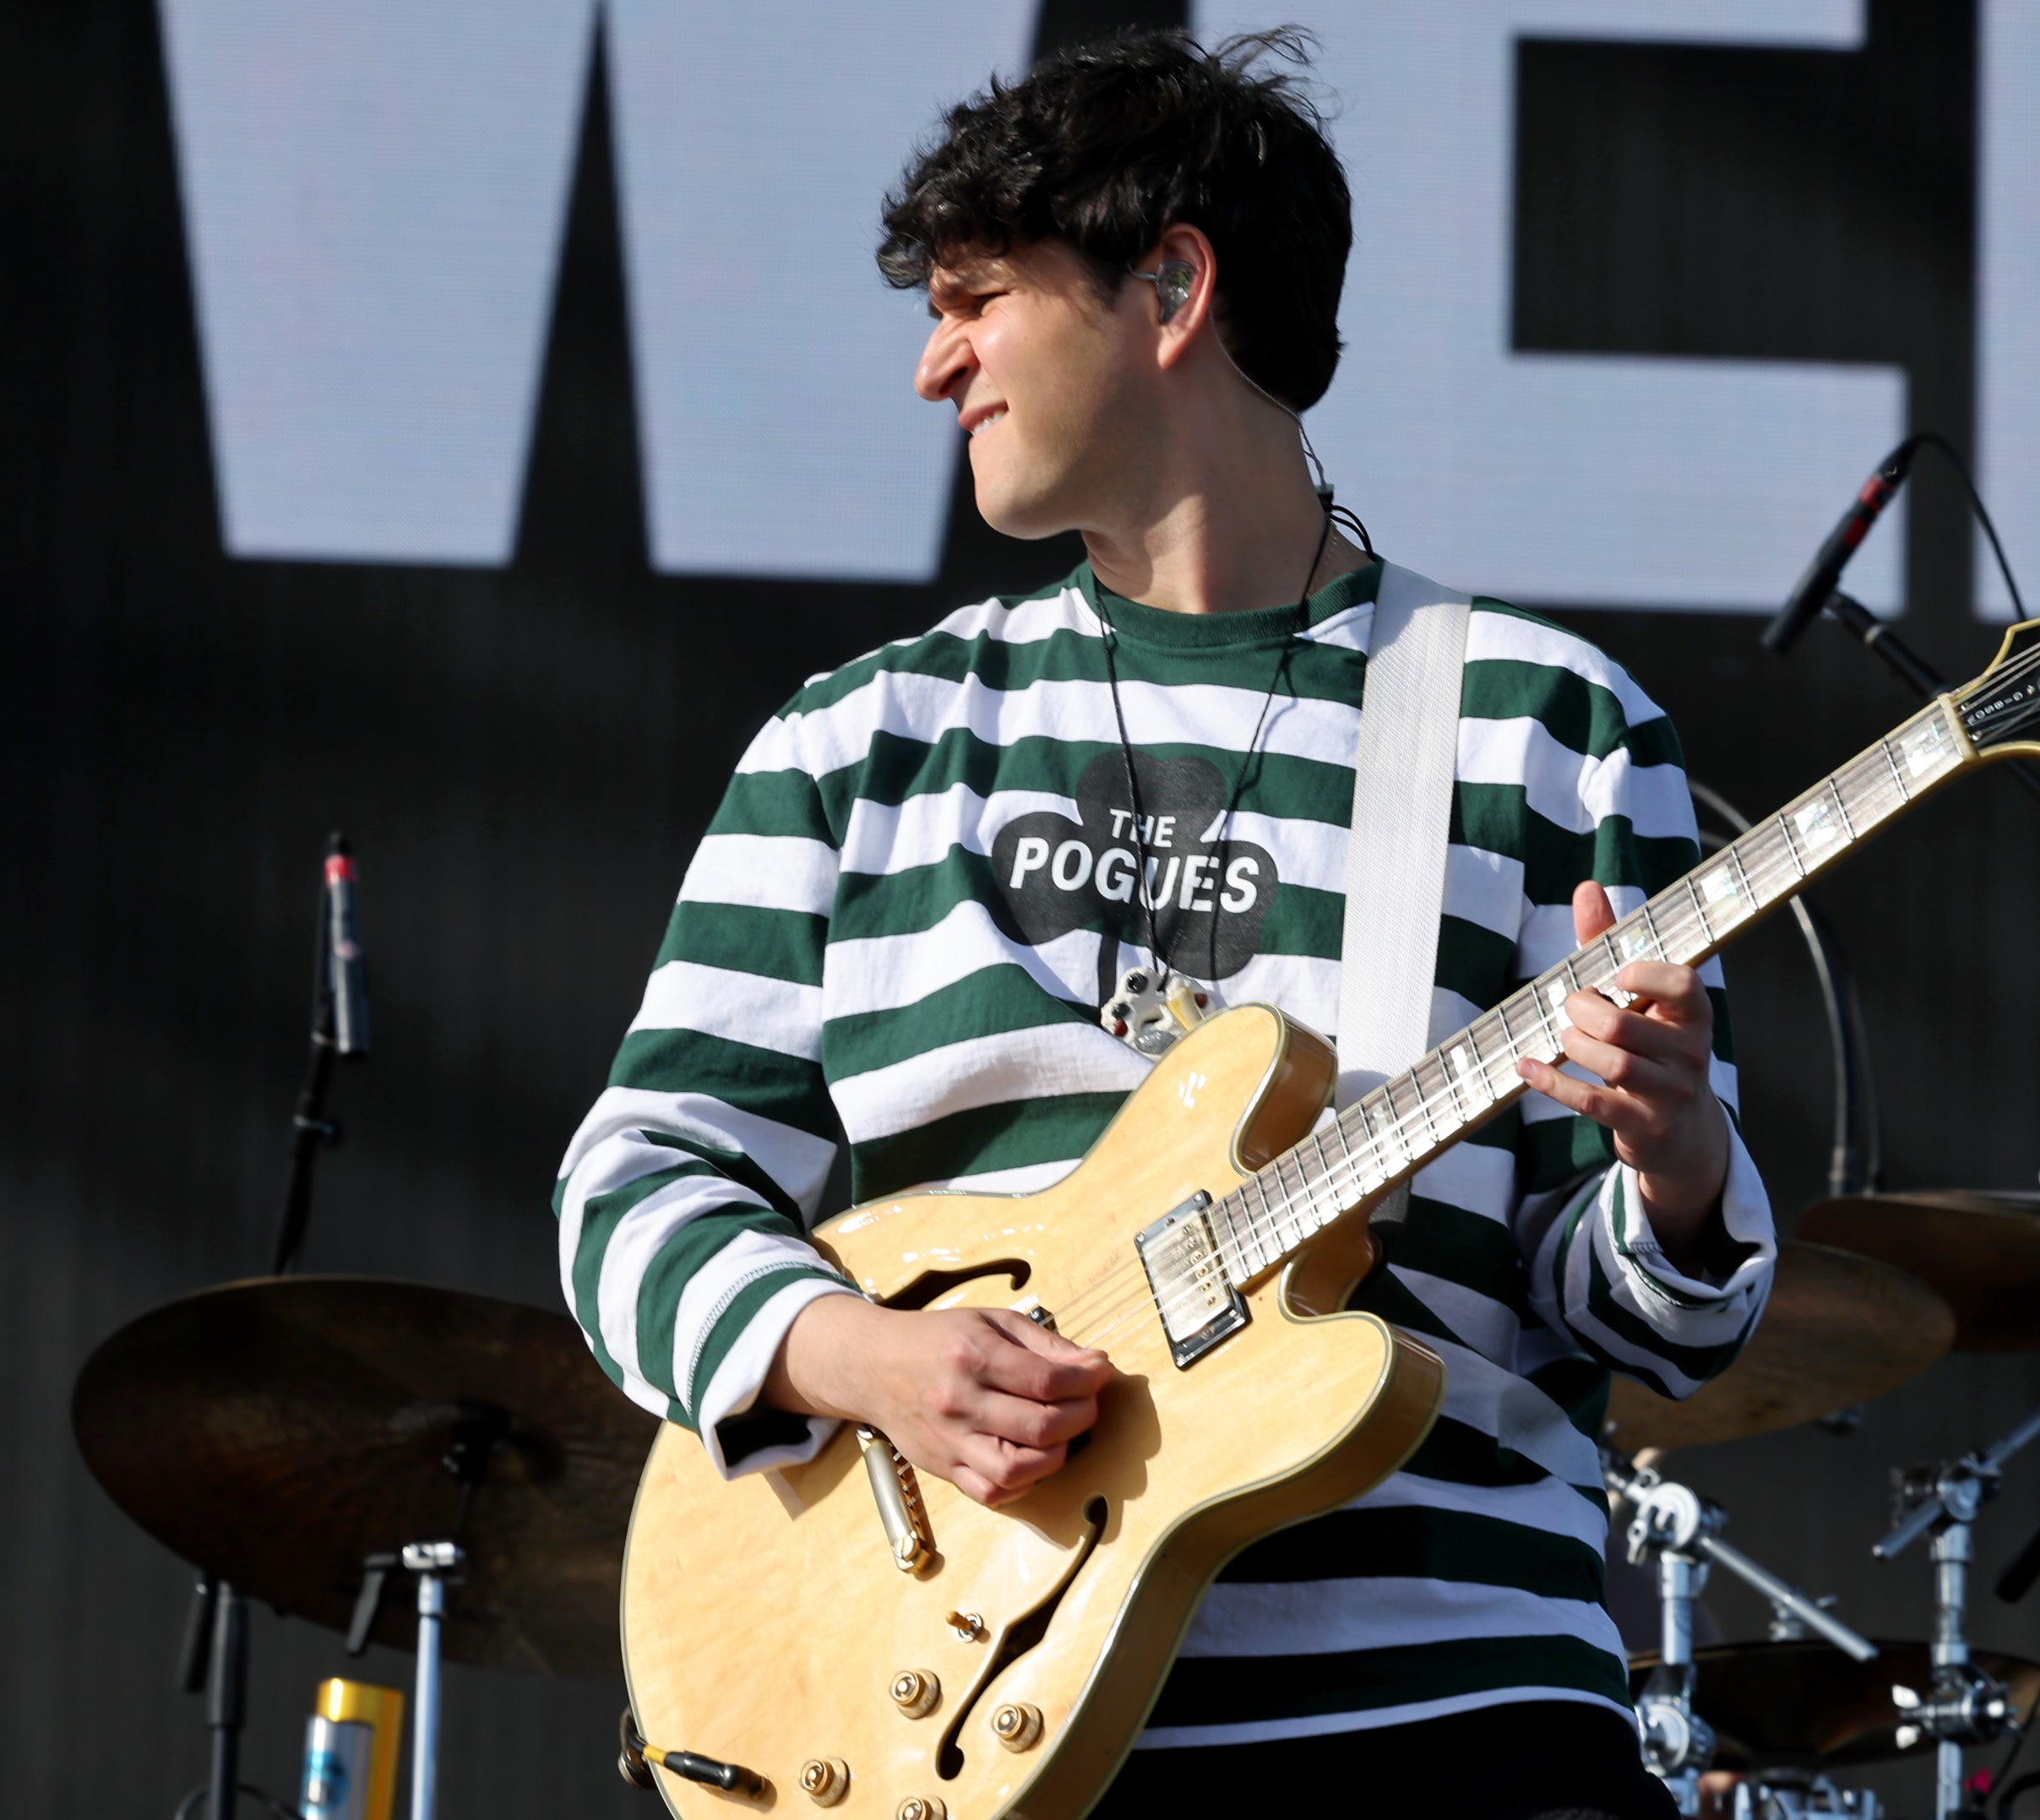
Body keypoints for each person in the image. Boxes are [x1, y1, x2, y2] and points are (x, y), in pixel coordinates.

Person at [556, 29, 1775, 1817]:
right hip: (965, 1714)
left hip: (1448, 1722)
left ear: (1169, 287)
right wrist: (869, 1358)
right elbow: (632, 1183)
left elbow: (1637, 1327)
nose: (929, 366)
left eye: (974, 299)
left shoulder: (1545, 721)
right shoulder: (861, 739)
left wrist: (1672, 1165)